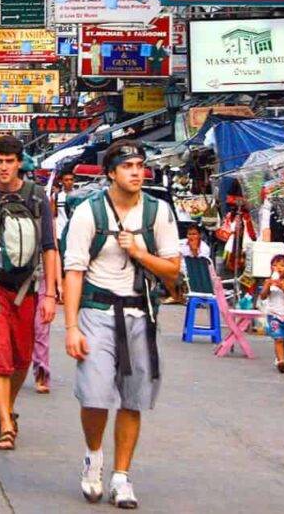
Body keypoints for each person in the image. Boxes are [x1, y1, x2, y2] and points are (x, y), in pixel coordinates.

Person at [63, 140, 181, 508]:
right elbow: (74, 272)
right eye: (128, 166)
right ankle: (94, 457)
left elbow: (174, 270)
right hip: (97, 311)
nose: (136, 172)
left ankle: (122, 476)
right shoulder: (88, 213)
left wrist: (139, 252)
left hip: (140, 314)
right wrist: (71, 327)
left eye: (140, 166)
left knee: (133, 399)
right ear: (111, 173)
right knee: (96, 394)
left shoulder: (158, 212)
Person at [0, 136, 59, 451]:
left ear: (20, 163)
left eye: (9, 161)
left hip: (29, 288)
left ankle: (8, 405)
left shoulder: (38, 197)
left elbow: (49, 247)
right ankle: (5, 422)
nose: (4, 167)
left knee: (22, 357)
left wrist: (50, 294)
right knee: (0, 354)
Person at [259, 254, 284, 373]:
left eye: (281, 265)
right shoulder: (269, 281)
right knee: (278, 338)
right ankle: (281, 360)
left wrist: (282, 286)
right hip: (274, 315)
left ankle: (280, 358)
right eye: (274, 265)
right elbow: (263, 296)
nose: (277, 268)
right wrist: (267, 285)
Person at [166, 225, 210, 304]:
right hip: (180, 271)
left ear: (199, 235)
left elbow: (200, 265)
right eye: (189, 234)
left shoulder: (205, 248)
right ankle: (175, 296)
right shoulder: (181, 243)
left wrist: (194, 250)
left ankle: (185, 296)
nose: (191, 237)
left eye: (194, 234)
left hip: (196, 273)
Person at [54, 170, 76, 237]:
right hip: (60, 232)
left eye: (71, 179)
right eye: (66, 180)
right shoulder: (56, 196)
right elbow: (53, 216)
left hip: (75, 232)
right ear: (61, 182)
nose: (69, 182)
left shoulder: (79, 196)